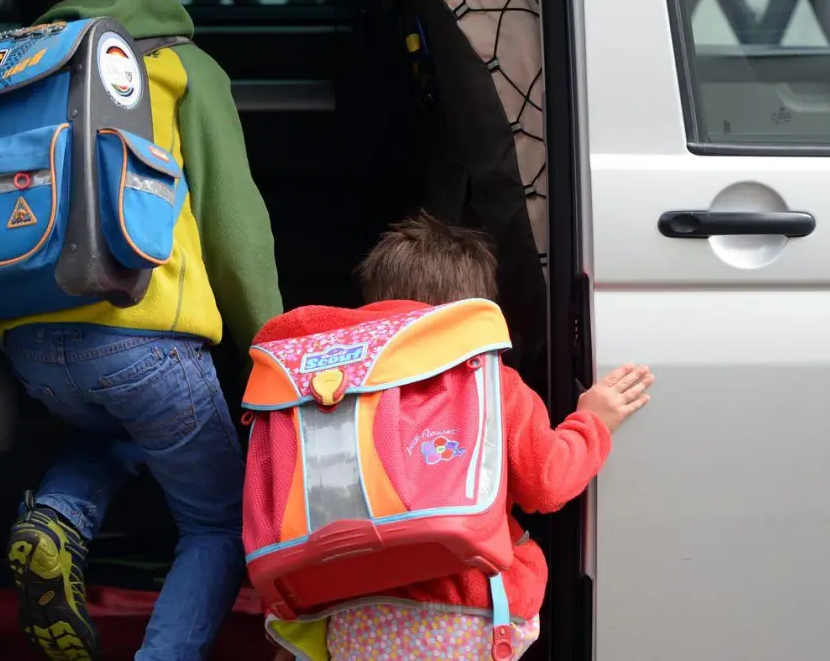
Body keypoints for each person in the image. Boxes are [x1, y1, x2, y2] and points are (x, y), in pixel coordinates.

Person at [0, 0, 284, 661]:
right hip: (145, 340)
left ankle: (55, 517)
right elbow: (234, 226)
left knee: (115, 431)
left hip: (33, 348)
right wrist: (277, 350)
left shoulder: (8, 73)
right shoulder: (176, 67)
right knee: (218, 525)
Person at [258, 212, 653, 661]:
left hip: (352, 621)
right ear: (471, 313)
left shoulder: (326, 391)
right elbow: (547, 484)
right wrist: (592, 422)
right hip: (466, 618)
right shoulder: (491, 385)